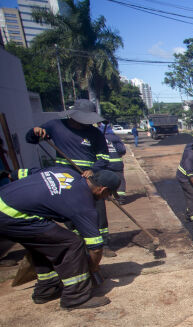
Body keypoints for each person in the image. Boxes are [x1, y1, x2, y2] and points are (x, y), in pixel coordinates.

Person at [0, 168, 120, 309]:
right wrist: (92, 267)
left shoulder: (65, 172)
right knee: (71, 244)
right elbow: (96, 247)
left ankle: (46, 289)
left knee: (46, 243)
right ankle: (76, 297)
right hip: (10, 216)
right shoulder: (83, 203)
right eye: (108, 194)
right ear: (103, 189)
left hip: (6, 202)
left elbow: (27, 172)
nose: (106, 198)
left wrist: (10, 174)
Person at [26, 99, 114, 256]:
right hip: (64, 176)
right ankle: (80, 238)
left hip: (89, 177)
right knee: (67, 208)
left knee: (97, 208)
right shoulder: (55, 126)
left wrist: (93, 170)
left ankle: (103, 242)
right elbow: (31, 139)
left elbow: (103, 158)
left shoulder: (95, 134)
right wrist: (35, 131)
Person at [102, 124, 127, 198]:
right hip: (117, 163)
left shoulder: (99, 138)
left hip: (104, 164)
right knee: (120, 179)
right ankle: (120, 197)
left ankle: (107, 196)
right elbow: (122, 150)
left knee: (106, 179)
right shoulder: (115, 138)